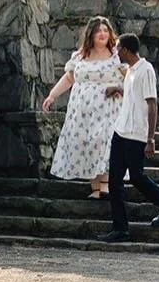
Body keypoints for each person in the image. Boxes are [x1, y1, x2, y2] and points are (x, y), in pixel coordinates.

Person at [101, 34, 159, 241]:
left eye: (118, 48)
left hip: (136, 134)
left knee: (136, 176)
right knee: (114, 181)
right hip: (121, 131)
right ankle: (120, 228)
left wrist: (150, 138)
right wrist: (117, 89)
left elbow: (151, 103)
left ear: (126, 49)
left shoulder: (146, 70)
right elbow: (132, 94)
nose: (115, 51)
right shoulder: (130, 72)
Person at [41, 16, 120, 198]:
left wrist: (119, 89)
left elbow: (129, 78)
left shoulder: (117, 56)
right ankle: (95, 188)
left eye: (106, 30)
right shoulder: (80, 56)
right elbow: (69, 78)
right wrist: (52, 95)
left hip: (107, 109)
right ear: (91, 34)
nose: (103, 34)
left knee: (104, 141)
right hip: (82, 112)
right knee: (87, 143)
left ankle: (105, 186)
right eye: (99, 30)